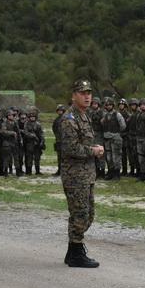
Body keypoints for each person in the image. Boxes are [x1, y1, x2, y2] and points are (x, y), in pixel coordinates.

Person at [58, 79, 104, 268]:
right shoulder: (69, 119)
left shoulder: (84, 116)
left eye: (89, 93)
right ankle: (76, 254)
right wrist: (93, 151)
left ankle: (72, 252)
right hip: (75, 175)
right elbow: (71, 148)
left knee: (88, 213)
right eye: (82, 93)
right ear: (73, 96)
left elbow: (82, 144)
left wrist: (93, 148)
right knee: (80, 213)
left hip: (86, 173)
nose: (87, 96)